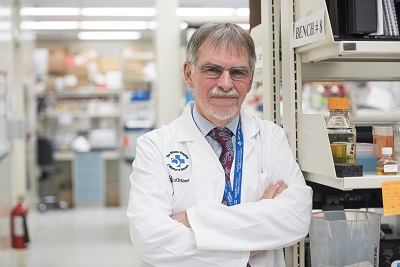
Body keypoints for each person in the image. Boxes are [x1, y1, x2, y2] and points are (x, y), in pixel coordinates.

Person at [127, 21, 313, 267]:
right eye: (213, 70)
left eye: (237, 72)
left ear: (250, 80)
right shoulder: (154, 147)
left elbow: (296, 218)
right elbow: (150, 241)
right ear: (189, 74)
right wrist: (246, 245)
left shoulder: (271, 138)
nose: (226, 83)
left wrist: (192, 220)